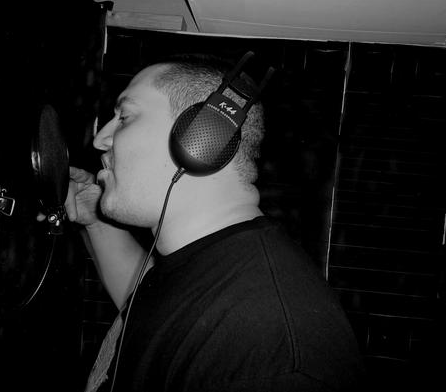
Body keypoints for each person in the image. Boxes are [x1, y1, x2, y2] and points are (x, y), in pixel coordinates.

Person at [64, 54, 365, 392]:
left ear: (201, 135)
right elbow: (157, 318)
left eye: (124, 117)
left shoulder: (269, 358)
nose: (101, 139)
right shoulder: (209, 265)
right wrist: (96, 220)